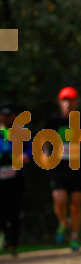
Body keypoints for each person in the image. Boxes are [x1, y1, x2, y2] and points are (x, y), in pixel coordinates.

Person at [45, 86, 81, 251]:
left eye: (71, 99)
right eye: (65, 99)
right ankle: (62, 221)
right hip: (58, 168)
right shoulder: (53, 122)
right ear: (60, 101)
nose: (68, 103)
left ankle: (74, 236)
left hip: (77, 168)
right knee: (59, 201)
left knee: (75, 204)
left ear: (76, 102)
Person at [0, 101, 31, 256]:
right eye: (3, 115)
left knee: (14, 211)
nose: (6, 118)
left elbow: (31, 148)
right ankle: (4, 236)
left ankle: (13, 244)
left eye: (9, 115)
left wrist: (27, 156)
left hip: (16, 177)